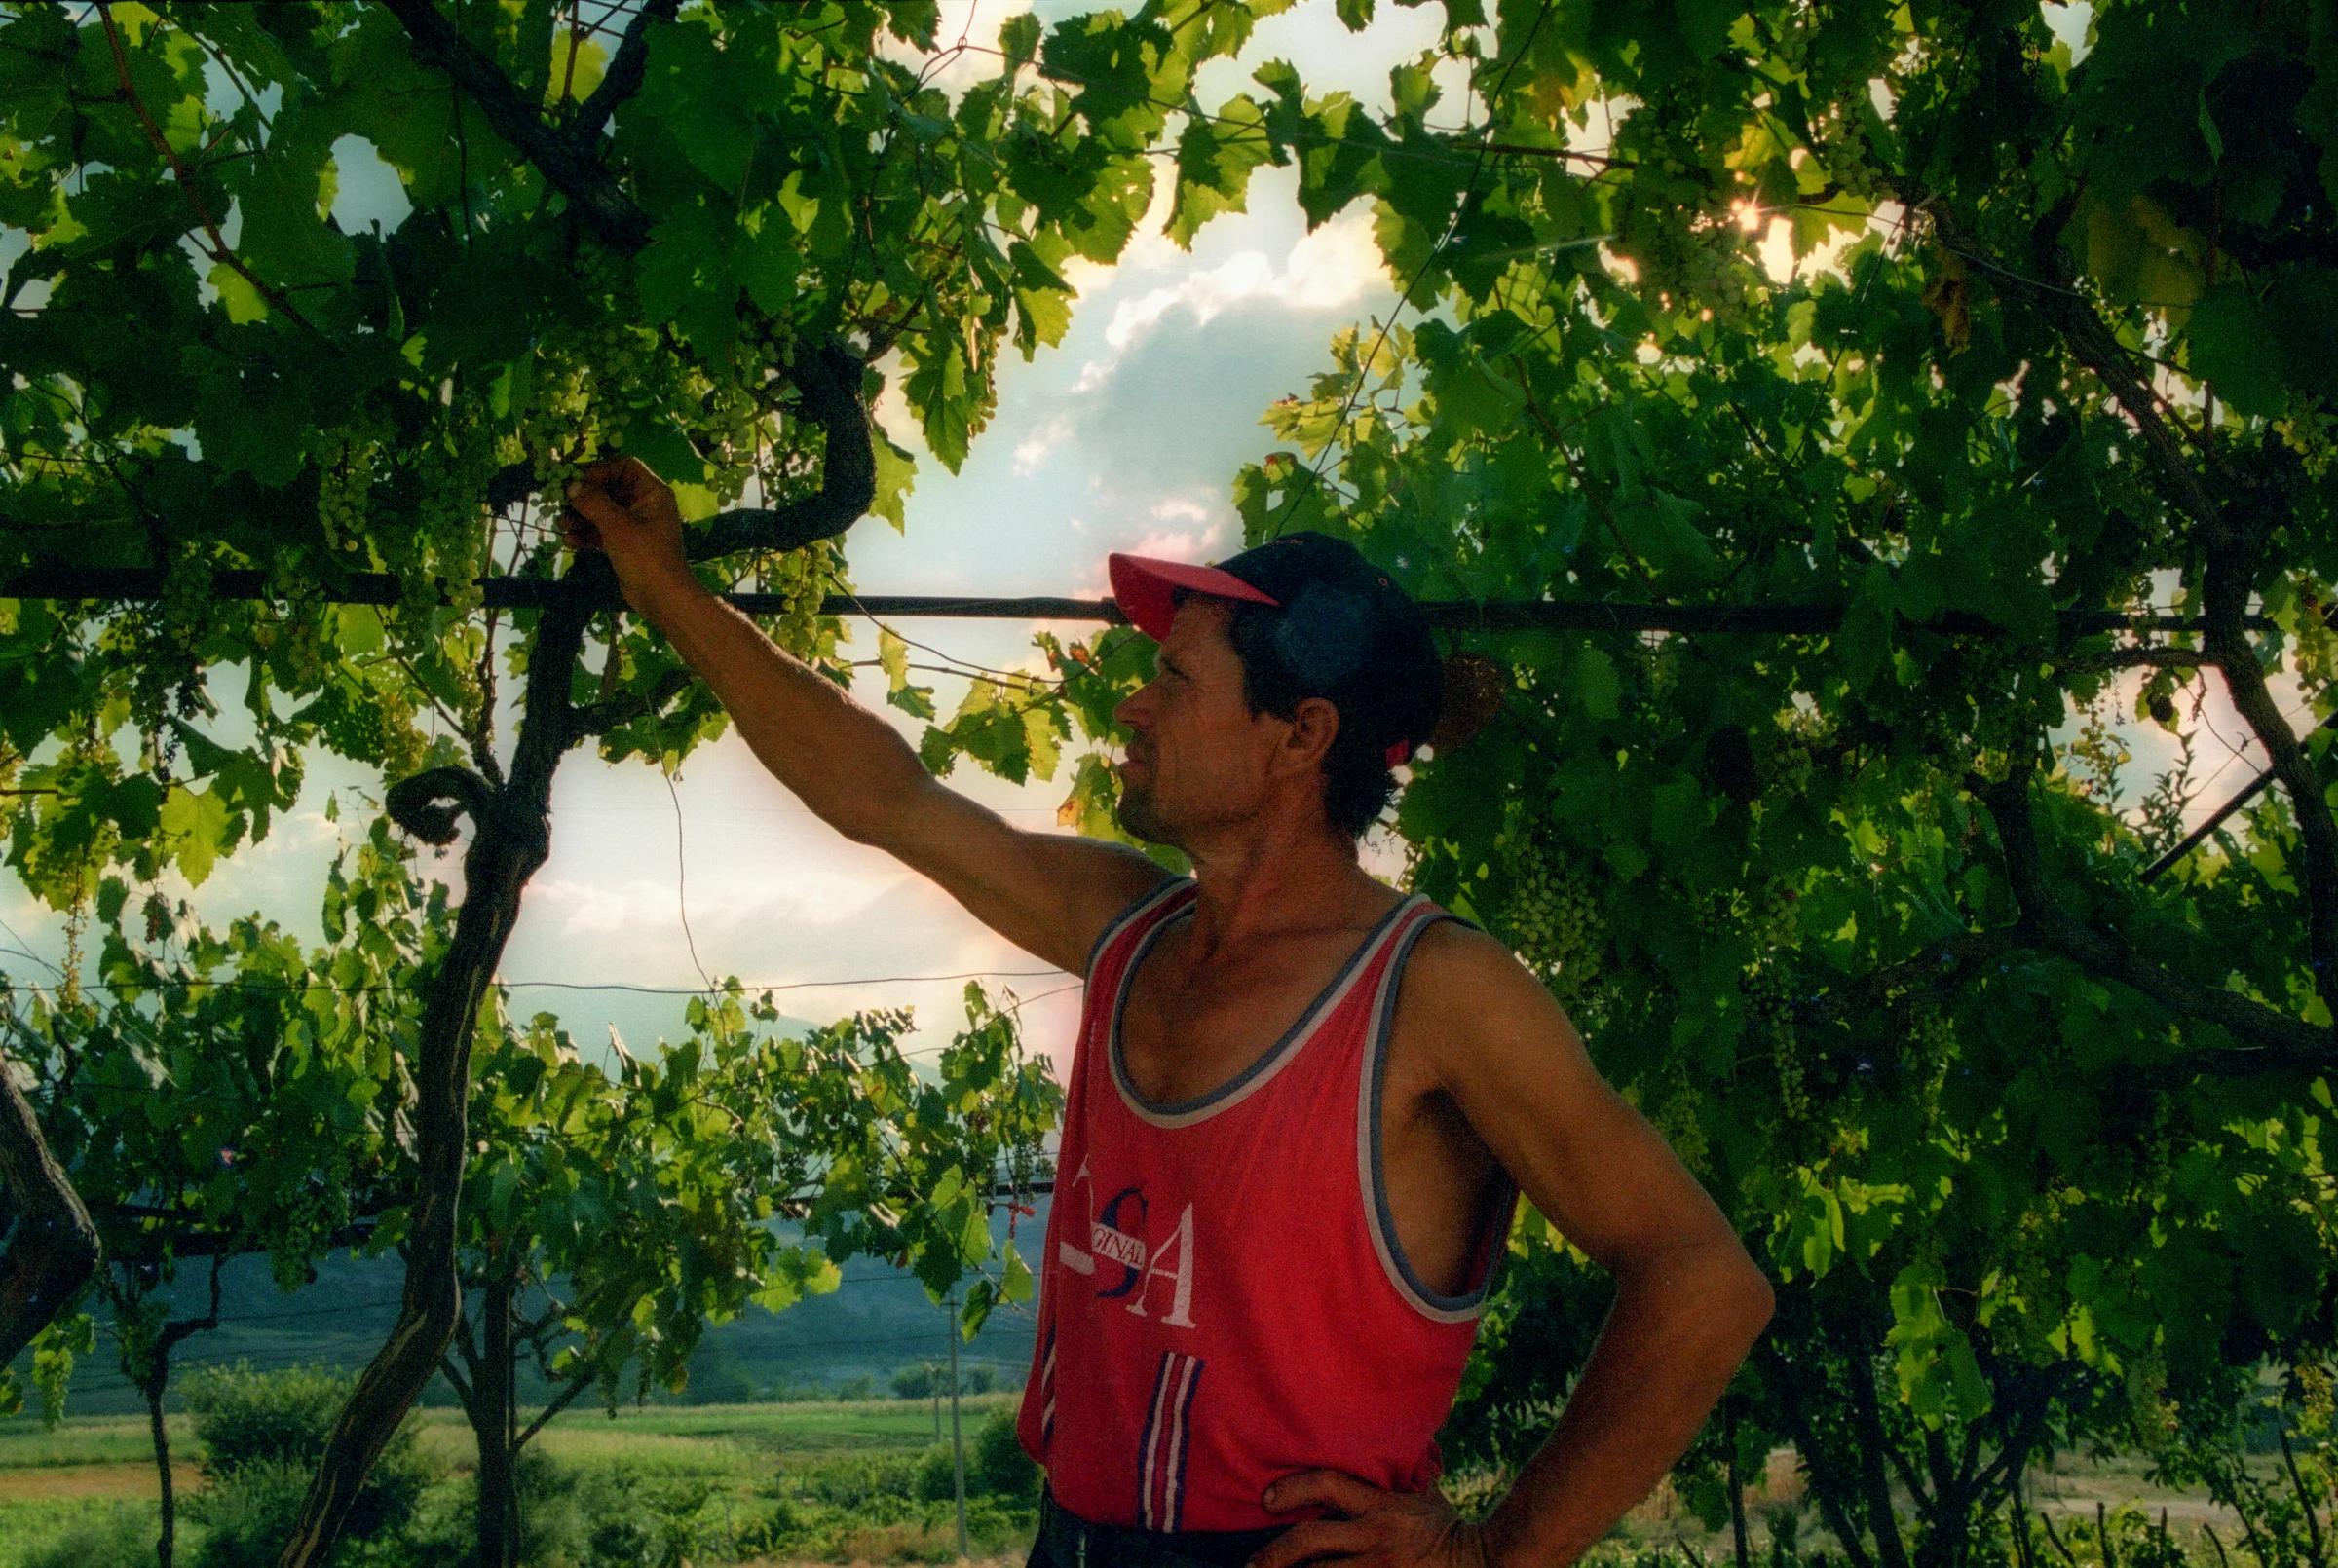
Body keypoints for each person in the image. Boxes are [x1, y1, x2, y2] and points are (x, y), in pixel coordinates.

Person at [559, 456, 1775, 1568]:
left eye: (1175, 681)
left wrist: (1496, 1551)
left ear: (1300, 736)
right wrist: (665, 588)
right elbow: (892, 797)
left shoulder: (1434, 992)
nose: (1133, 710)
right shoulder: (1130, 927)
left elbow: (1703, 1277)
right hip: (1075, 1541)